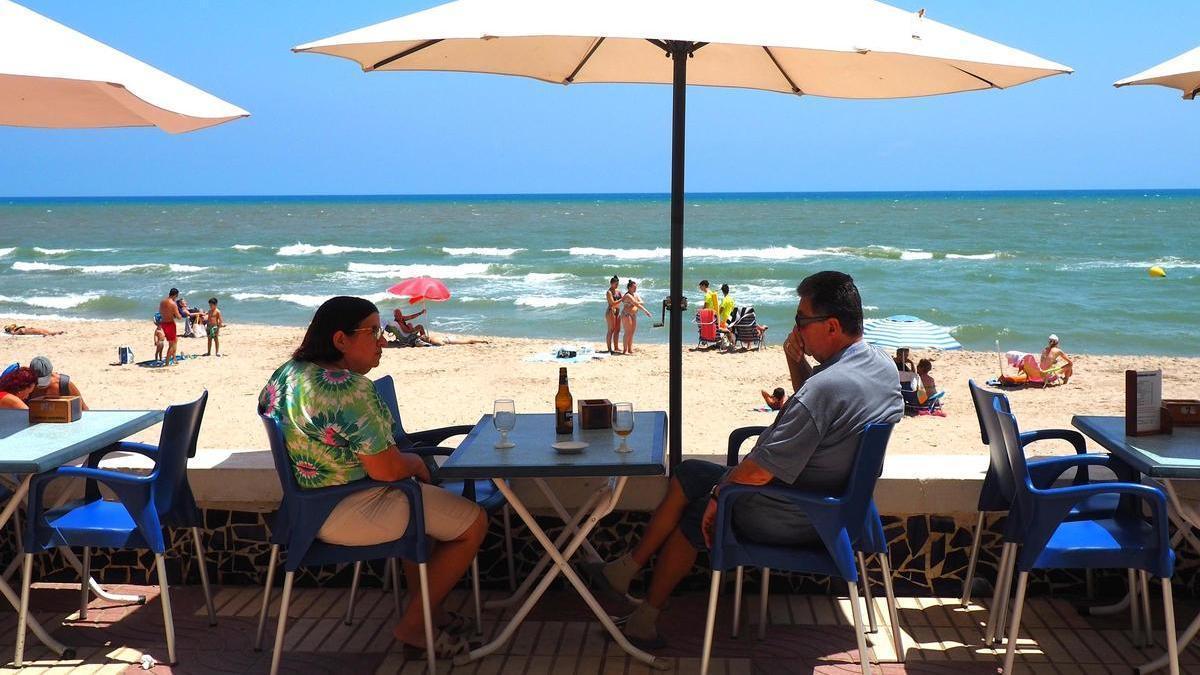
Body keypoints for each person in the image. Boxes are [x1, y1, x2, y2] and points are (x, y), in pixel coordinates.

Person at [582, 271, 903, 650]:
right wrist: (794, 361)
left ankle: (644, 622)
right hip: (838, 507)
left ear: (832, 326)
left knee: (699, 509)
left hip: (795, 513)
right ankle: (626, 570)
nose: (796, 328)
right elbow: (820, 413)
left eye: (802, 320)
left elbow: (761, 468)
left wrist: (720, 493)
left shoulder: (826, 387)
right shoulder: (877, 365)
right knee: (688, 473)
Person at [258, 296, 487, 657]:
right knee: (473, 523)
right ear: (340, 340)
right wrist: (415, 465)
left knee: (425, 514)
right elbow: (387, 469)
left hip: (305, 511)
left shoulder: (287, 374)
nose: (384, 341)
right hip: (352, 508)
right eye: (374, 332)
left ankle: (430, 612)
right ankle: (413, 626)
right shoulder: (350, 389)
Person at [619, 280, 653, 355]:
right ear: (629, 288)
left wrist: (635, 302)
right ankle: (625, 350)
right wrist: (646, 311)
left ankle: (630, 349)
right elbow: (636, 304)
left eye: (636, 287)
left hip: (633, 315)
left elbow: (641, 302)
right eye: (634, 287)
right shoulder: (627, 295)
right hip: (626, 314)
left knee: (631, 333)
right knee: (627, 332)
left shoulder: (635, 295)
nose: (635, 288)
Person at [159, 288, 183, 366]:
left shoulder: (162, 302)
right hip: (170, 324)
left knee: (174, 340)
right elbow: (178, 317)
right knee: (172, 344)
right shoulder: (173, 304)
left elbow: (161, 312)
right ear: (175, 295)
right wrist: (180, 315)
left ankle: (174, 358)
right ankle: (167, 363)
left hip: (163, 323)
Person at [604, 276, 624, 354]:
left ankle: (616, 347)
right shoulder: (609, 292)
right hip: (611, 312)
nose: (617, 285)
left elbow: (623, 299)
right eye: (615, 284)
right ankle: (609, 349)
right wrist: (621, 299)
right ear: (611, 284)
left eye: (617, 284)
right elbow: (612, 303)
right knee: (611, 330)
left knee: (617, 330)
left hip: (617, 311)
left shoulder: (618, 291)